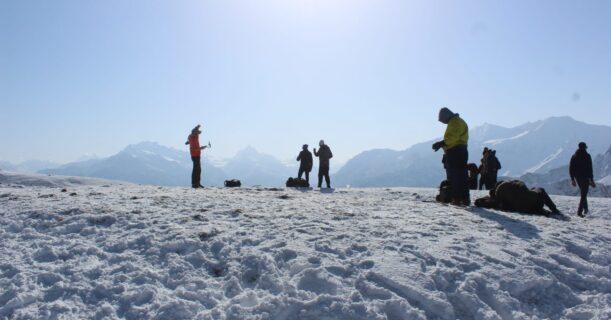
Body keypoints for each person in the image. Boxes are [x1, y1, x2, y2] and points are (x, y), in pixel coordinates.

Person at [432, 108, 470, 205]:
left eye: (442, 120)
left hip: (455, 151)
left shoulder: (454, 122)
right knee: (462, 175)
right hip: (462, 150)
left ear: (446, 116)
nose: (443, 122)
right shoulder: (460, 121)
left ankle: (456, 198)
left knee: (455, 175)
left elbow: (453, 137)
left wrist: (442, 143)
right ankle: (465, 198)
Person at [475, 180, 560, 215]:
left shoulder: (500, 196)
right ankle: (555, 210)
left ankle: (545, 210)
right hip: (536, 202)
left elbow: (484, 203)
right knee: (539, 189)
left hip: (528, 208)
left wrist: (482, 200)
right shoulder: (508, 184)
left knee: (532, 191)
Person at [570, 142, 596, 217]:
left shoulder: (574, 156)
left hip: (577, 177)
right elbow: (590, 168)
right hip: (586, 177)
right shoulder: (587, 156)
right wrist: (591, 179)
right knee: (583, 194)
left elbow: (571, 168)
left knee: (583, 193)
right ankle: (579, 212)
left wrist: (572, 179)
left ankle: (586, 209)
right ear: (585, 148)